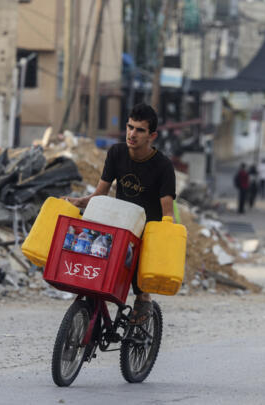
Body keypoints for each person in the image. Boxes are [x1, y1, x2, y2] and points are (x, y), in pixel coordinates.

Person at [65, 103, 176, 325]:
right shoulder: (116, 153)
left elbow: (167, 213)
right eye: (129, 127)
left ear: (151, 136)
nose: (132, 134)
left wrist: (165, 240)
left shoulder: (163, 166)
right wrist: (78, 202)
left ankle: (143, 299)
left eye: (139, 130)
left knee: (136, 274)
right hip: (119, 225)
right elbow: (101, 193)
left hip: (146, 232)